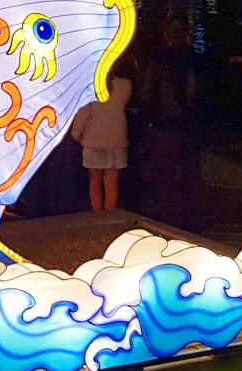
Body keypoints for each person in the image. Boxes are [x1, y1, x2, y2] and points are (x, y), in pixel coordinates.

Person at [141, 18, 204, 226]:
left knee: (164, 175)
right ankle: (192, 217)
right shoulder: (196, 60)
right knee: (190, 173)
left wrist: (147, 118)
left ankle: (167, 218)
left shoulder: (158, 61)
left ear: (166, 35)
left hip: (164, 125)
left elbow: (147, 94)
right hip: (190, 125)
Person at [72, 55, 133, 212]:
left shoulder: (91, 87)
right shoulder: (125, 85)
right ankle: (109, 216)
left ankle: (97, 215)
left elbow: (83, 114)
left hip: (94, 139)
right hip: (116, 139)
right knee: (112, 182)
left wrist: (76, 133)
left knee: (94, 181)